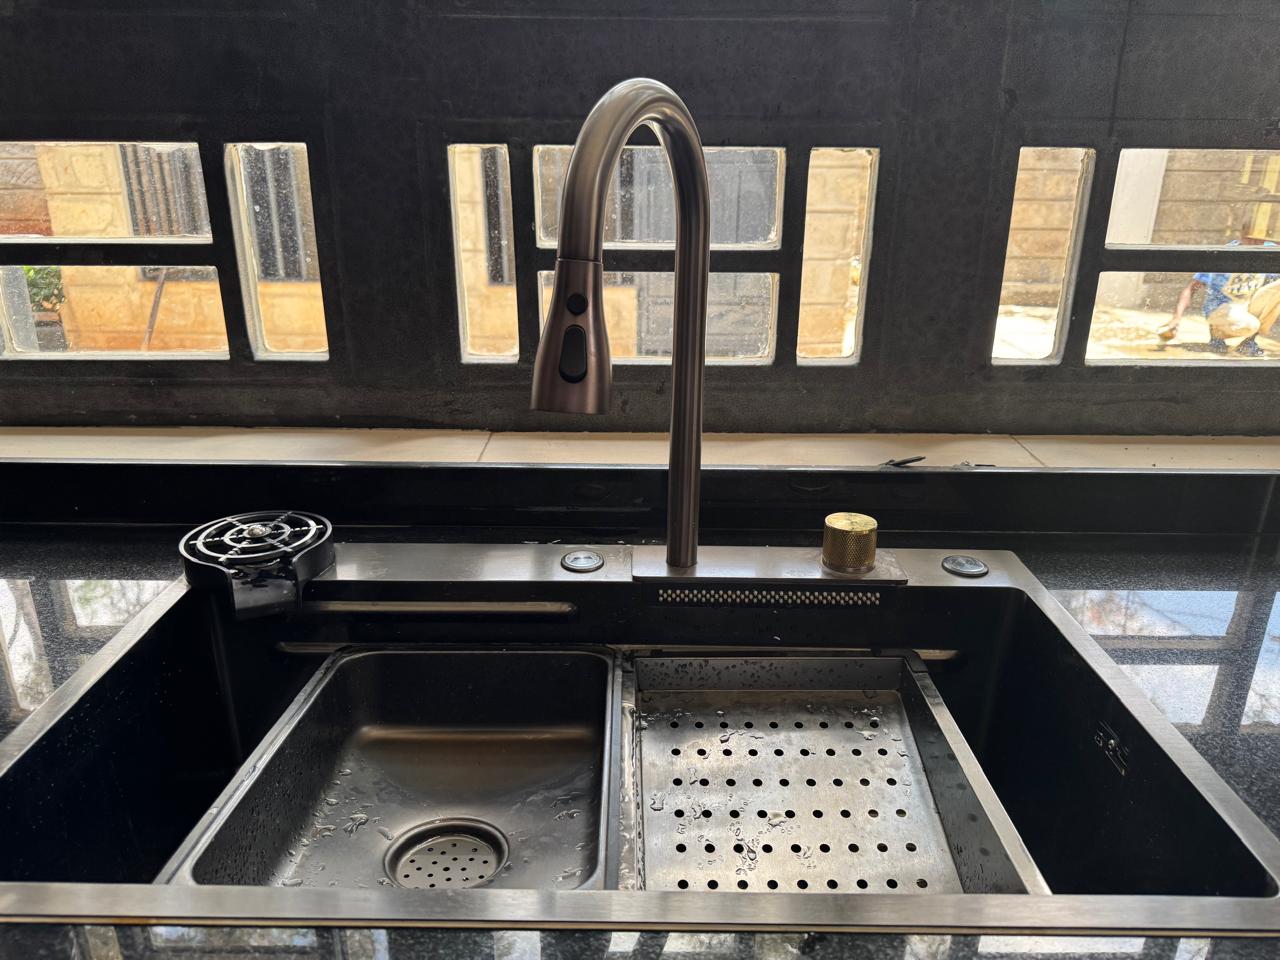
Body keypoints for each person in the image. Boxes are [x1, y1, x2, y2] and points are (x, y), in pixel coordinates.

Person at [1159, 235, 1280, 356]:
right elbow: (1191, 288)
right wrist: (1176, 318)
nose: (1255, 242)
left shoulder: (1269, 251)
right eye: (1250, 238)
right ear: (1242, 235)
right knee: (1251, 325)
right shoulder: (1223, 254)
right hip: (1220, 309)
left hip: (1246, 305)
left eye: (1259, 238)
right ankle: (1217, 334)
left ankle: (1248, 342)